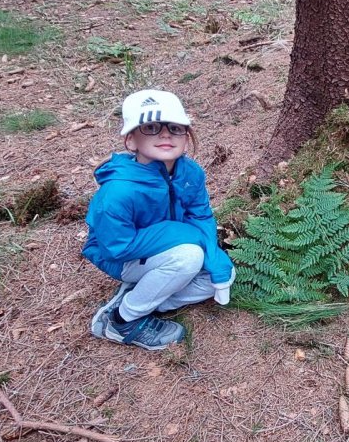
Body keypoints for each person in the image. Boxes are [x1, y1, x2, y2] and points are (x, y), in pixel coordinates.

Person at [82, 89, 235, 350]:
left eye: (175, 128)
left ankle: (140, 298)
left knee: (221, 276)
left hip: (170, 250)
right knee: (188, 258)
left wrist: (211, 252)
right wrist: (182, 234)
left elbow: (200, 215)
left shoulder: (191, 173)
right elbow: (116, 247)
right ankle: (122, 320)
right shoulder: (118, 191)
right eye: (151, 127)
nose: (165, 134)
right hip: (122, 257)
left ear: (186, 138)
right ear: (131, 141)